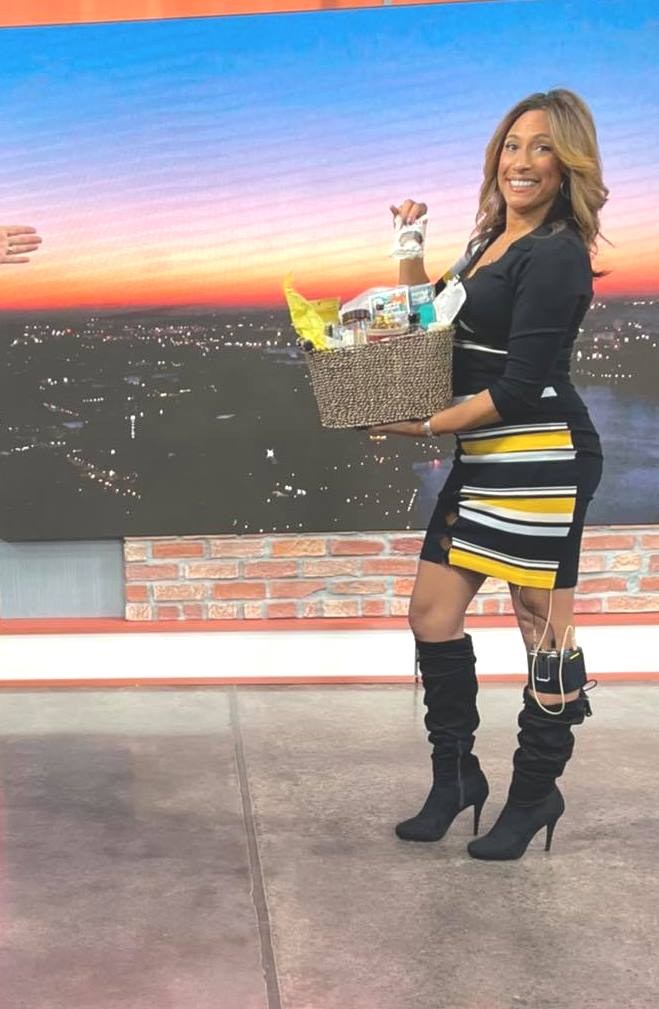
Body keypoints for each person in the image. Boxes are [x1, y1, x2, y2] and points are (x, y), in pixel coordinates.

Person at [375, 89, 608, 860]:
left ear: (566, 165)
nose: (521, 161)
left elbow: (516, 388)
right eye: (512, 145)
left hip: (542, 456)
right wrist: (409, 242)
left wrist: (421, 427)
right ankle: (455, 778)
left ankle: (535, 791)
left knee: (543, 631)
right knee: (430, 614)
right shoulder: (486, 242)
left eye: (542, 148)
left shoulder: (557, 253)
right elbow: (422, 326)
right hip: (481, 458)